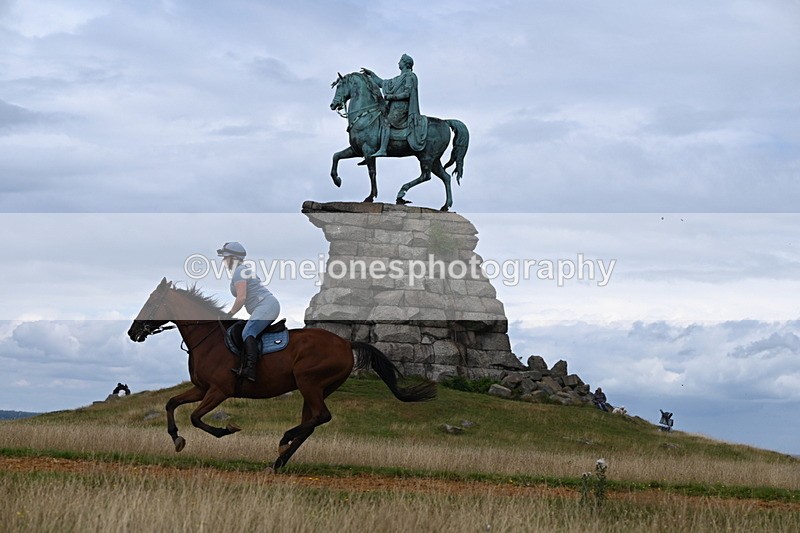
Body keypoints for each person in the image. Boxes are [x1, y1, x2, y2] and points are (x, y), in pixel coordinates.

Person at [217, 242, 280, 382]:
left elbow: (241, 298)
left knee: (247, 332)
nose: (223, 261)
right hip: (264, 306)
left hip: (267, 305)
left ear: (233, 258)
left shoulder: (239, 271)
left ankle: (250, 370)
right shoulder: (239, 271)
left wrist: (229, 314)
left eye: (225, 257)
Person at [361, 53, 428, 159]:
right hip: (393, 107)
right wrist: (372, 75)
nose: (398, 63)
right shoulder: (398, 78)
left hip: (402, 109)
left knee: (386, 122)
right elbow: (382, 83)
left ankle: (383, 149)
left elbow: (407, 94)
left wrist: (391, 97)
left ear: (405, 63)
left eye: (400, 61)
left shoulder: (410, 76)